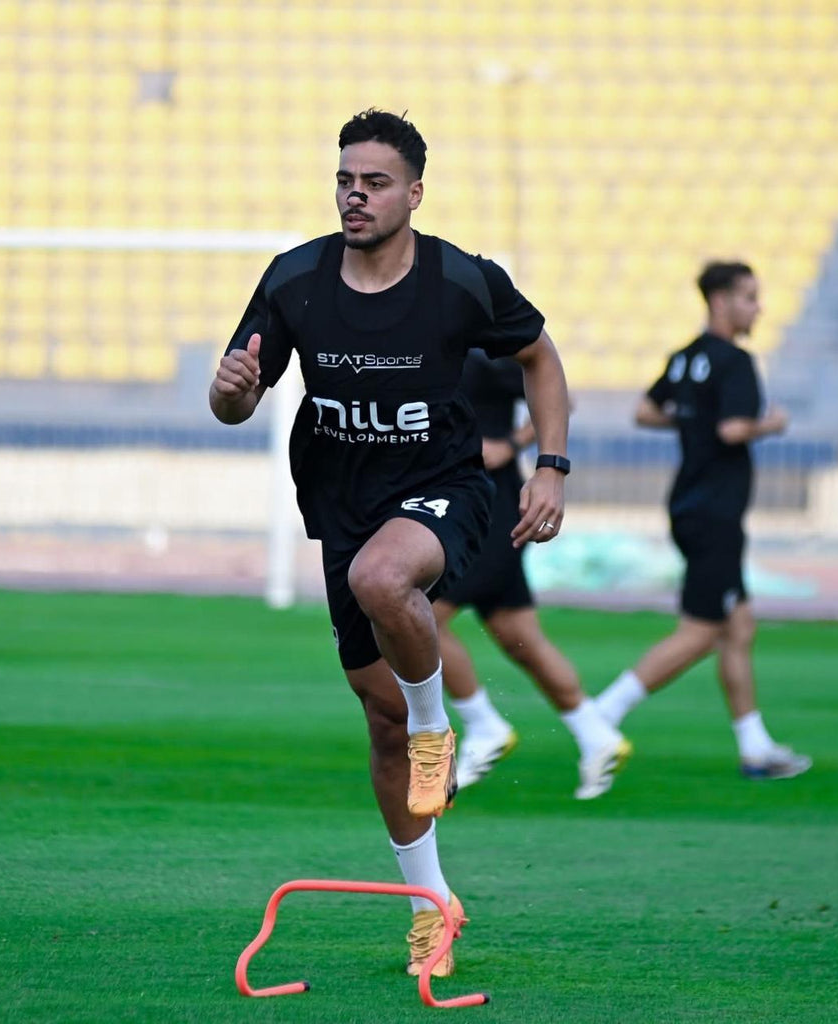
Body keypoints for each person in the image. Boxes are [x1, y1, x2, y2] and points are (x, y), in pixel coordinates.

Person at [209, 109, 571, 978]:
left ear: (414, 193)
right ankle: (429, 909)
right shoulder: (295, 279)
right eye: (345, 180)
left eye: (374, 182)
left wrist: (551, 467)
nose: (355, 195)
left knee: (385, 579)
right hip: (341, 507)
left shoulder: (460, 281)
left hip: (446, 490)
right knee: (381, 725)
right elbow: (233, 405)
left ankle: (439, 730)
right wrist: (232, 389)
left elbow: (541, 357)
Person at [594, 261, 812, 780]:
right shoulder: (735, 360)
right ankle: (601, 715)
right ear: (721, 301)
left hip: (690, 504)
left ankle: (756, 749)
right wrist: (771, 424)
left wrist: (690, 420)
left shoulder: (686, 356)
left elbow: (645, 411)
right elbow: (734, 429)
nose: (758, 309)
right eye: (750, 298)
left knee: (739, 627)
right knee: (700, 631)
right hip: (716, 512)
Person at [434, 349, 631, 799]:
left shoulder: (478, 350)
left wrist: (511, 442)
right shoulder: (428, 345)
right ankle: (595, 734)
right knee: (519, 636)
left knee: (420, 615)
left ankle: (483, 725)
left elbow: (557, 393)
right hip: (466, 506)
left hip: (486, 510)